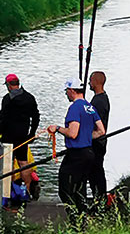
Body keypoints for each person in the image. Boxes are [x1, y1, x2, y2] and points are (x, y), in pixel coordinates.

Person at [46, 78, 105, 215]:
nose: (66, 94)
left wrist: (57, 128)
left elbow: (72, 133)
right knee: (80, 188)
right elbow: (101, 131)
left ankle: (76, 220)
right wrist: (86, 137)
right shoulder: (90, 107)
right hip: (89, 153)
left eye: (67, 91)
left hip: (76, 155)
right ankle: (83, 217)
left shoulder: (74, 108)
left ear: (72, 90)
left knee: (65, 189)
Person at [0, 73, 40, 196]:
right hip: (23, 134)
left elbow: (2, 119)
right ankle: (27, 191)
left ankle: (8, 192)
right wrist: (32, 133)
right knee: (23, 162)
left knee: (8, 163)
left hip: (8, 135)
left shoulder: (7, 99)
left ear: (8, 85)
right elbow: (36, 117)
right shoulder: (29, 97)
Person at [87, 71, 110, 200]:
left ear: (96, 82)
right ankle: (99, 198)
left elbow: (97, 124)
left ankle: (100, 199)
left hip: (97, 142)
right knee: (94, 171)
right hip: (98, 141)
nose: (89, 83)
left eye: (91, 80)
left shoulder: (99, 102)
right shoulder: (100, 98)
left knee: (96, 172)